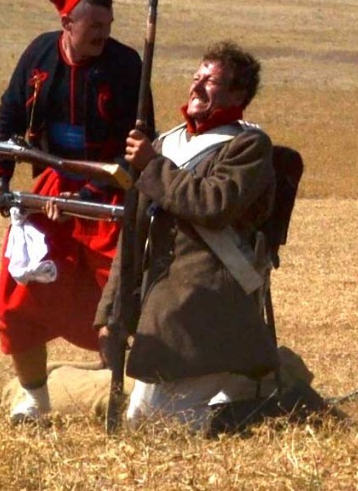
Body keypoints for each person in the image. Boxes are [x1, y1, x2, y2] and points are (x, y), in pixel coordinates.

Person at [0, 0, 149, 424]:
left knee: (117, 300)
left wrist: (87, 193)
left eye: (107, 26)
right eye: (93, 26)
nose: (102, 35)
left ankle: (122, 398)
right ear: (66, 22)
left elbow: (135, 145)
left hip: (109, 194)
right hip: (50, 189)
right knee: (18, 294)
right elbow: (10, 119)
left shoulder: (127, 64)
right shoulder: (38, 55)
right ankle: (35, 399)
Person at [95, 41, 278, 430]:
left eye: (210, 81)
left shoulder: (249, 146)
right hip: (162, 301)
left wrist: (152, 166)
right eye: (196, 77)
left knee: (158, 425)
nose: (196, 86)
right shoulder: (165, 144)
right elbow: (134, 231)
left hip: (210, 296)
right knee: (141, 420)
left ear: (237, 94)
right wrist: (112, 312)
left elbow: (214, 204)